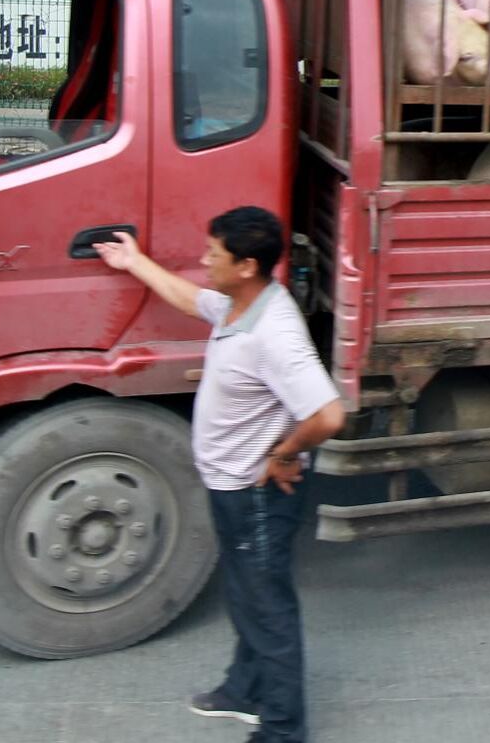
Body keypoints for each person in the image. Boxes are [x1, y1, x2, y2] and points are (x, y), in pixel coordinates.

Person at [94, 207, 345, 743]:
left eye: (214, 254)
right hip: (231, 486)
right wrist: (134, 262)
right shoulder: (240, 303)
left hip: (258, 496)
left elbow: (328, 415)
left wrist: (285, 454)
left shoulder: (274, 332)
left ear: (247, 265)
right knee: (245, 593)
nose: (205, 261)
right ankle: (244, 689)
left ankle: (283, 729)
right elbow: (192, 299)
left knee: (267, 606)